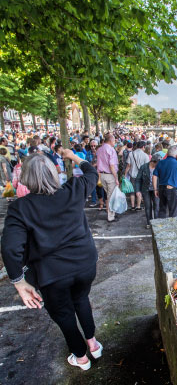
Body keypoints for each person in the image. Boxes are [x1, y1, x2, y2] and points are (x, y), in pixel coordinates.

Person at [1, 150, 102, 371]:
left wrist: (19, 281)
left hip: (51, 274)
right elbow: (91, 171)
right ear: (54, 173)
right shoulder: (73, 190)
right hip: (84, 264)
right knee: (81, 299)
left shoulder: (20, 208)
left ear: (27, 177)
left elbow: (10, 248)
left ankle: (81, 356)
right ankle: (92, 343)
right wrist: (73, 156)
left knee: (64, 313)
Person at [153, 145, 177, 218]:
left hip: (161, 188)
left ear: (167, 153)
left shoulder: (160, 163)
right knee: (173, 211)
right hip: (172, 189)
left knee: (162, 209)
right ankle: (172, 228)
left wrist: (155, 189)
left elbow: (154, 176)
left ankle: (161, 227)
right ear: (176, 154)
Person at [96, 134, 119, 222]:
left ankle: (110, 212)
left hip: (102, 175)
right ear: (110, 141)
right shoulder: (111, 150)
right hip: (110, 175)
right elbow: (112, 165)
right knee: (110, 196)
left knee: (108, 194)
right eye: (114, 141)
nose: (114, 142)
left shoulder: (100, 149)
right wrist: (116, 178)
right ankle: (110, 215)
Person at [135, 153, 162, 229]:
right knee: (148, 206)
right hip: (146, 189)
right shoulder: (143, 167)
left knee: (157, 206)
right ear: (153, 161)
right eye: (158, 163)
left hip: (156, 190)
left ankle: (156, 222)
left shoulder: (159, 168)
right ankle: (149, 222)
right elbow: (138, 180)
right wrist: (137, 191)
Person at [125, 140, 149, 211]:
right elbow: (146, 168)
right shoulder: (145, 155)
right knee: (139, 191)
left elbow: (128, 165)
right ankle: (138, 206)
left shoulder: (131, 154)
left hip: (132, 175)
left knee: (132, 191)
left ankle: (132, 206)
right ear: (143, 147)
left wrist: (125, 174)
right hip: (141, 177)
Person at [86, 140, 98, 207]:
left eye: (94, 146)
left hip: (99, 172)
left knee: (101, 187)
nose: (93, 147)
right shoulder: (88, 153)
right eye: (91, 146)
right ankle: (94, 201)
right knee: (93, 187)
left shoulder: (100, 152)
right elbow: (86, 162)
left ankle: (103, 201)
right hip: (92, 172)